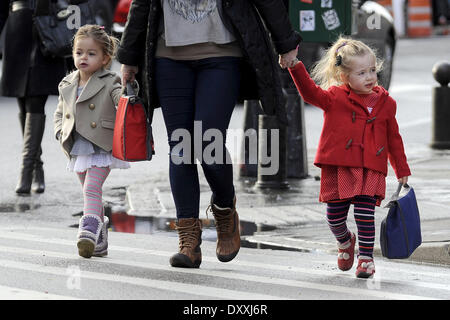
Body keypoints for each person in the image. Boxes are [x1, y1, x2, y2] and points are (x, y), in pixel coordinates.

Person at [117, 0, 301, 268]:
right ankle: (188, 238)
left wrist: (285, 42)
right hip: (168, 57)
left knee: (208, 142)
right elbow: (141, 4)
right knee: (181, 148)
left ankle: (225, 209)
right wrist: (129, 57)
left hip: (222, 55)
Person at [283, 36, 411, 278]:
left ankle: (366, 259)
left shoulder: (386, 103)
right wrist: (295, 66)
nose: (370, 77)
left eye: (372, 70)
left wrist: (401, 169)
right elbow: (310, 93)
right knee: (334, 217)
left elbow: (394, 138)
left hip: (371, 166)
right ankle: (345, 241)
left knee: (365, 213)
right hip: (339, 166)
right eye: (362, 73)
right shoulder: (334, 97)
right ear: (345, 77)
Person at [53, 24, 131, 258]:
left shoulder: (110, 80)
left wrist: (129, 91)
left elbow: (121, 99)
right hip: (77, 146)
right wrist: (60, 131)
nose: (83, 57)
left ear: (105, 57)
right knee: (90, 193)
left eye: (91, 53)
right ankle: (101, 240)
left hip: (101, 145)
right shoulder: (67, 83)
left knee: (91, 188)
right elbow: (59, 112)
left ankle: (87, 231)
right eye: (79, 52)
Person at [0, 0, 69, 194]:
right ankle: (37, 169)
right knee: (22, 103)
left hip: (46, 31)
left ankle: (26, 170)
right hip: (17, 32)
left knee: (35, 101)